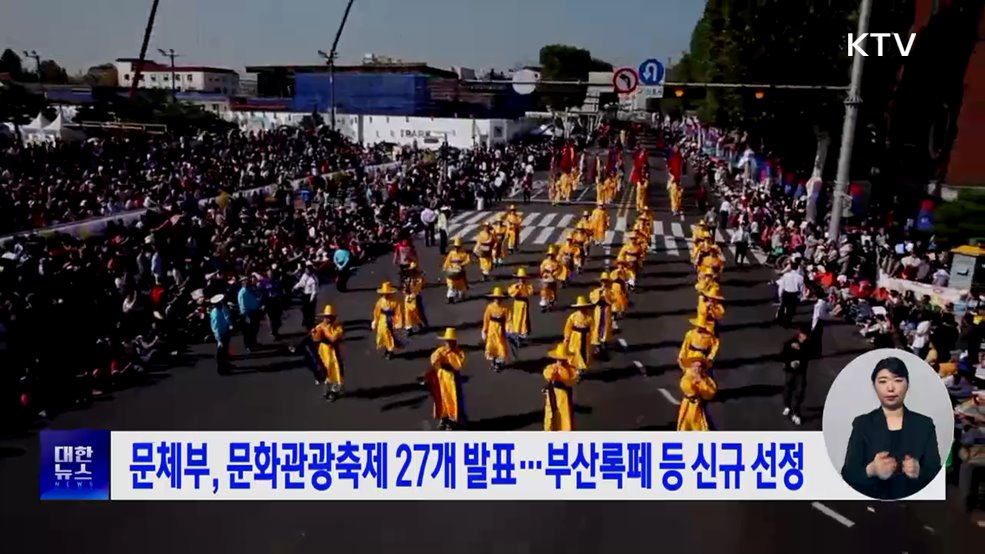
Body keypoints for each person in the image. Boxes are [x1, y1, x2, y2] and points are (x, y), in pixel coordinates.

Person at [841, 356, 942, 500]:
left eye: (898, 380)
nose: (890, 388)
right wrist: (872, 470)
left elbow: (935, 472)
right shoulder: (862, 424)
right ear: (874, 386)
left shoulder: (924, 424)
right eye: (883, 381)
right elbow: (849, 473)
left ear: (907, 384)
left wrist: (919, 471)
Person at [424, 327, 467, 430]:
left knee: (453, 399)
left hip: (452, 379)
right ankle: (444, 418)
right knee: (442, 398)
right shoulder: (440, 351)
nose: (448, 343)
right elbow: (434, 359)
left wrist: (450, 355)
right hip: (442, 377)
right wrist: (440, 359)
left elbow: (458, 365)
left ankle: (453, 420)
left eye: (451, 341)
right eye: (447, 341)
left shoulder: (458, 353)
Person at [311, 305, 344, 401]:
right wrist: (315, 333)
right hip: (323, 351)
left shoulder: (338, 327)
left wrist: (324, 330)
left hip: (334, 351)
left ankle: (334, 391)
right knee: (325, 370)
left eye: (329, 317)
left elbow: (333, 338)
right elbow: (315, 339)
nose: (327, 319)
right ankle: (327, 390)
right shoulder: (319, 326)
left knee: (335, 370)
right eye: (326, 317)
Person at [781, 324, 812, 426]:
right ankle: (787, 405)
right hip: (790, 370)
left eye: (806, 335)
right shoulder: (789, 343)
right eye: (803, 335)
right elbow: (783, 356)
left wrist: (800, 359)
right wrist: (790, 363)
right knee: (788, 387)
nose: (805, 337)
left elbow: (810, 355)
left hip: (801, 371)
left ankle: (796, 412)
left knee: (800, 390)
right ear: (799, 333)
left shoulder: (808, 344)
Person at [543, 342, 578, 431]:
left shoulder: (570, 369)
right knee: (551, 412)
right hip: (552, 392)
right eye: (558, 359)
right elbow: (547, 375)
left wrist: (561, 369)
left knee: (563, 413)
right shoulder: (552, 367)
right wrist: (554, 371)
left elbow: (570, 378)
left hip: (563, 395)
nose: (560, 362)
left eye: (562, 360)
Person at [677, 355, 717, 431]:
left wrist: (701, 382)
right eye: (695, 366)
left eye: (699, 367)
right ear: (692, 366)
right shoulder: (688, 376)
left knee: (702, 427)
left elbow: (710, 393)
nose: (697, 369)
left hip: (699, 406)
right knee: (684, 427)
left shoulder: (706, 379)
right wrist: (694, 384)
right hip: (687, 406)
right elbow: (685, 387)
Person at [563, 296, 595, 377]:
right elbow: (568, 327)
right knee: (575, 353)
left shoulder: (589, 318)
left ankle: (580, 369)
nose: (582, 309)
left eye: (584, 307)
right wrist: (567, 337)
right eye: (580, 307)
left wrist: (593, 339)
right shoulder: (573, 316)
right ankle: (576, 370)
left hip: (585, 338)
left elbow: (593, 329)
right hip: (575, 337)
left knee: (584, 353)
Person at [371, 281, 403, 359]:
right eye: (384, 293)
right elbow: (376, 311)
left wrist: (398, 322)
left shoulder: (394, 302)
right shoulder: (380, 302)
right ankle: (387, 348)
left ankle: (390, 350)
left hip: (391, 320)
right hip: (382, 319)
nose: (386, 295)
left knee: (388, 334)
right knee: (382, 333)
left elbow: (398, 312)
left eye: (387, 293)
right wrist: (375, 320)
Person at [482, 287, 510, 372]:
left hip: (501, 329)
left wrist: (508, 329)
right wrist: (484, 330)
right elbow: (486, 319)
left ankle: (498, 363)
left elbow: (508, 319)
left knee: (500, 346)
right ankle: (493, 361)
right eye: (496, 298)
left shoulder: (505, 308)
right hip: (492, 329)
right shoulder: (490, 307)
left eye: (499, 298)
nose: (498, 300)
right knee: (491, 346)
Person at [590, 272, 615, 355]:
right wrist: (599, 295)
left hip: (606, 309)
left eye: (606, 281)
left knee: (606, 325)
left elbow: (612, 300)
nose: (604, 283)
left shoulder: (610, 291)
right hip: (599, 309)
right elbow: (593, 300)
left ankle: (604, 341)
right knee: (597, 325)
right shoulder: (596, 291)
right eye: (603, 281)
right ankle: (597, 343)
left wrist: (606, 296)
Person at [507, 267, 533, 345]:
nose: (521, 280)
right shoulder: (514, 286)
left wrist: (523, 287)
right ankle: (516, 334)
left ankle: (522, 333)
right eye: (520, 278)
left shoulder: (528, 286)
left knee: (523, 318)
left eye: (523, 278)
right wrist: (517, 288)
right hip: (517, 303)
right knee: (516, 318)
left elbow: (529, 293)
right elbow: (511, 293)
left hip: (523, 303)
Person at [775, 262, 805, 327]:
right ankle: (786, 323)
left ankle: (779, 320)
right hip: (795, 294)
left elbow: (782, 286)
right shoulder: (800, 277)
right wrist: (801, 297)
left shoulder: (786, 275)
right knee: (790, 310)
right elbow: (802, 289)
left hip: (786, 293)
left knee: (782, 306)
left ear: (791, 267)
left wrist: (780, 294)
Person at [209, 294, 232, 375]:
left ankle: (226, 364)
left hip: (225, 332)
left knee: (225, 350)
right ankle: (221, 369)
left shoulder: (221, 309)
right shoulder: (215, 313)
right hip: (220, 334)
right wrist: (218, 339)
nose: (222, 303)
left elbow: (226, 318)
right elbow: (216, 328)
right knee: (220, 353)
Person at [402, 261, 428, 335]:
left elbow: (422, 286)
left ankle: (422, 325)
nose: (412, 271)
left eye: (414, 270)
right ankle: (409, 328)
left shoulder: (419, 278)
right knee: (408, 312)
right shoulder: (408, 279)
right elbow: (405, 289)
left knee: (418, 311)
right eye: (411, 270)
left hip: (416, 297)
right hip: (409, 298)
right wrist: (407, 292)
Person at [237, 276, 262, 353]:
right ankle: (247, 345)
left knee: (255, 328)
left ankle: (253, 342)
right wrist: (245, 315)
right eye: (245, 281)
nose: (247, 282)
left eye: (247, 280)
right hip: (248, 313)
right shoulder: (242, 292)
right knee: (248, 331)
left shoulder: (250, 289)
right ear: (242, 283)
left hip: (255, 311)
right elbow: (242, 305)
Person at [442, 237, 471, 303]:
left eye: (458, 247)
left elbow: (468, 260)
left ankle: (461, 294)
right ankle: (450, 297)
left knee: (461, 287)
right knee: (451, 285)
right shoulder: (451, 253)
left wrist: (462, 264)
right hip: (452, 271)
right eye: (455, 247)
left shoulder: (463, 253)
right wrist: (445, 267)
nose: (456, 248)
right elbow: (447, 261)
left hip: (459, 272)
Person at [294, 262, 319, 330]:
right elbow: (301, 283)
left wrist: (311, 299)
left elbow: (314, 291)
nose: (306, 271)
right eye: (305, 270)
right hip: (305, 295)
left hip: (311, 296)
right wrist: (295, 287)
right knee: (304, 310)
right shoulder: (304, 275)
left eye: (307, 270)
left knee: (311, 311)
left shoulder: (313, 279)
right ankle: (306, 321)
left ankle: (310, 324)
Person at [539, 246, 561, 312]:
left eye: (552, 255)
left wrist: (554, 273)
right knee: (544, 291)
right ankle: (544, 304)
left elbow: (559, 270)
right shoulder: (545, 262)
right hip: (546, 279)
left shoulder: (556, 263)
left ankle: (551, 302)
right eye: (549, 255)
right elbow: (541, 269)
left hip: (553, 279)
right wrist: (544, 272)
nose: (550, 256)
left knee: (552, 292)